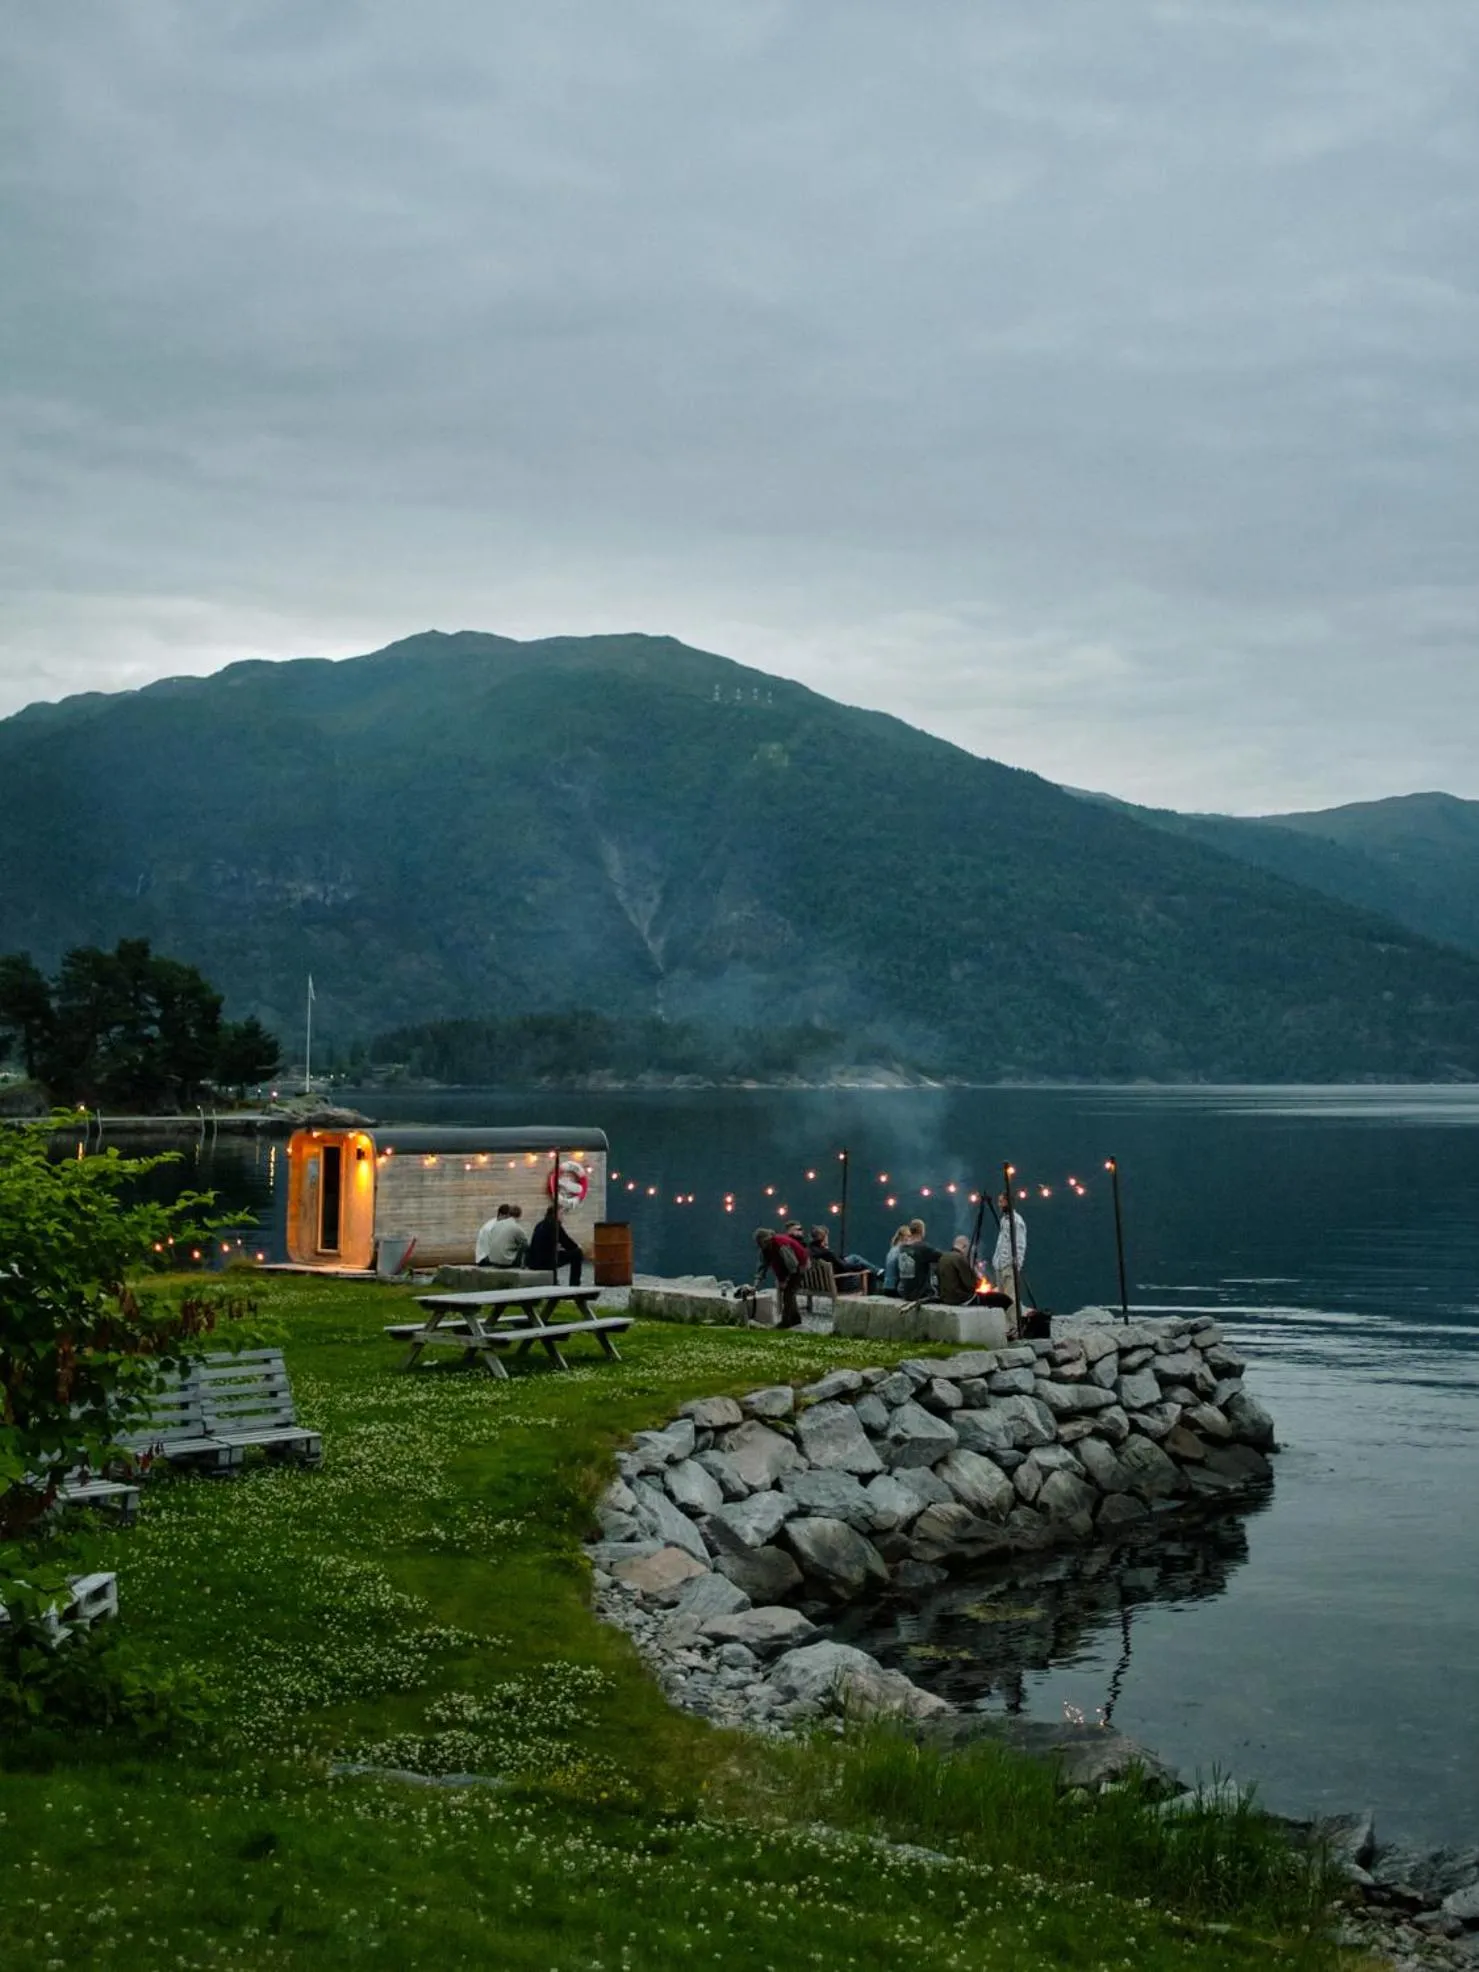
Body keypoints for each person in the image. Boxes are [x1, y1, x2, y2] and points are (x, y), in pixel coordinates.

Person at [753, 1225, 808, 1328]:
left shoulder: (781, 1245)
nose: (762, 1246)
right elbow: (762, 1266)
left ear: (768, 1240)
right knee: (789, 1293)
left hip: (799, 1265)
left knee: (788, 1294)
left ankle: (786, 1322)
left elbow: (793, 1265)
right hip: (788, 1267)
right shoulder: (765, 1250)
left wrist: (785, 1280)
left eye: (763, 1243)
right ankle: (796, 1319)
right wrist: (756, 1284)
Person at [806, 1225, 875, 1295]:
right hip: (837, 1284)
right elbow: (844, 1267)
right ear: (823, 1238)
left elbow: (836, 1262)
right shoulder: (827, 1253)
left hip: (817, 1283)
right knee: (869, 1272)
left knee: (854, 1257)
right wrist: (860, 1267)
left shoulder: (808, 1250)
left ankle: (879, 1272)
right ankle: (871, 1295)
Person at [993, 1194, 1027, 1332]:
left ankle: (1013, 1326)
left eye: (1001, 1201)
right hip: (1000, 1264)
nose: (999, 1204)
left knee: (1011, 1298)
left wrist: (1016, 1264)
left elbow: (1020, 1244)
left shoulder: (1016, 1221)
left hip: (1009, 1264)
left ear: (1008, 1201)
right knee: (1001, 1298)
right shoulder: (1004, 1221)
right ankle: (1004, 1325)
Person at [527, 1204, 584, 1284]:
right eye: (561, 1213)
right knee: (577, 1253)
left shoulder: (540, 1224)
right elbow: (567, 1243)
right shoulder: (554, 1224)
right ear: (555, 1214)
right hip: (545, 1262)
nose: (562, 1216)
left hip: (533, 1261)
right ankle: (574, 1284)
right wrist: (577, 1246)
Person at [897, 1222, 942, 1303]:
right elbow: (942, 1257)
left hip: (904, 1292)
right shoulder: (922, 1247)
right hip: (920, 1294)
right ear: (922, 1231)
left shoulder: (902, 1248)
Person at [475, 1203, 529, 1268]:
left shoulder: (496, 1224)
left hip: (491, 1259)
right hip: (485, 1259)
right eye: (506, 1217)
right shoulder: (490, 1227)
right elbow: (525, 1244)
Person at [936, 1235, 978, 1306]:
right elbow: (970, 1285)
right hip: (958, 1299)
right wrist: (975, 1273)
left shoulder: (942, 1257)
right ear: (964, 1246)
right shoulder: (960, 1258)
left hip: (944, 1298)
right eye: (967, 1249)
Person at [880, 1224, 914, 1296]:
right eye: (909, 1236)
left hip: (886, 1287)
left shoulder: (892, 1249)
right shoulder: (902, 1250)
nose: (911, 1239)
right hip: (894, 1289)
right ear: (903, 1237)